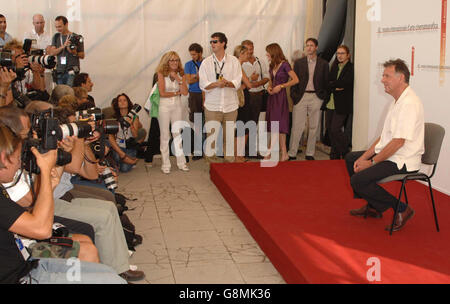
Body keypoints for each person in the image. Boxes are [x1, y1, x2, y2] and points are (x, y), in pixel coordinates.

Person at [0, 125, 125, 284]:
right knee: (113, 281)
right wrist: (44, 172)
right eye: (18, 158)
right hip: (19, 276)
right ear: (4, 158)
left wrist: (50, 181)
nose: (20, 164)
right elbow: (41, 229)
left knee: (108, 273)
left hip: (25, 262)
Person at [346, 59, 424, 232]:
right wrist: (364, 157)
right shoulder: (397, 100)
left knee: (357, 180)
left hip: (403, 160)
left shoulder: (409, 103)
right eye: (383, 75)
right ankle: (373, 205)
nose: (382, 80)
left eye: (386, 76)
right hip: (393, 154)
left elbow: (398, 142)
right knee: (352, 159)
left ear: (401, 78)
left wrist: (372, 163)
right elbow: (384, 137)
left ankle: (403, 209)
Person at [199, 32, 242, 163]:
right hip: (212, 105)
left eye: (215, 41)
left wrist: (227, 83)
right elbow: (203, 84)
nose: (212, 44)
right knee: (211, 137)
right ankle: (211, 165)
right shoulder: (206, 62)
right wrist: (217, 84)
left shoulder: (234, 61)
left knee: (229, 137)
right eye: (211, 42)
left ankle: (229, 164)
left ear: (223, 43)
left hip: (230, 105)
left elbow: (238, 81)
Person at [289, 38, 329, 161]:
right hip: (301, 97)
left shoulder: (323, 63)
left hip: (316, 97)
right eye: (307, 46)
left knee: (314, 126)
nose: (309, 48)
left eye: (311, 45)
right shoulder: (299, 63)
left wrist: (322, 97)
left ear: (316, 47)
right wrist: (295, 96)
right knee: (297, 126)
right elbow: (294, 82)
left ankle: (310, 153)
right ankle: (292, 153)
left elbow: (326, 82)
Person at [264, 43, 299, 162]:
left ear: (273, 52)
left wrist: (282, 86)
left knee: (278, 125)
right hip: (272, 97)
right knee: (275, 125)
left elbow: (296, 80)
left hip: (281, 97)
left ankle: (272, 152)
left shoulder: (285, 65)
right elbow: (270, 80)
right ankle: (283, 153)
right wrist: (269, 87)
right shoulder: (271, 65)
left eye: (268, 52)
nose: (266, 55)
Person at [156, 51, 189, 174]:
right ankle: (165, 163)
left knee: (177, 133)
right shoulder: (161, 73)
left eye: (176, 60)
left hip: (177, 106)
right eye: (172, 60)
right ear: (167, 61)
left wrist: (178, 79)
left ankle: (181, 162)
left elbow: (185, 92)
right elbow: (162, 93)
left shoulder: (181, 73)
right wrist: (176, 93)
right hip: (164, 107)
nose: (175, 62)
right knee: (165, 135)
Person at [324, 45, 354, 160]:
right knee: (330, 130)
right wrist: (335, 86)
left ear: (348, 55)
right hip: (330, 103)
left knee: (335, 129)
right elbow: (328, 83)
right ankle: (334, 154)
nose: (339, 56)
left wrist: (334, 85)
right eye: (338, 53)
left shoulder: (350, 68)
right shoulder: (334, 66)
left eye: (342, 53)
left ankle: (345, 151)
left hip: (342, 104)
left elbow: (345, 83)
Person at [108, 93, 141, 173]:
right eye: (120, 101)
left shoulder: (134, 117)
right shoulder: (113, 118)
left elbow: (135, 135)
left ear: (128, 102)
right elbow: (110, 137)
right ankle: (126, 159)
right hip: (118, 145)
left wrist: (131, 125)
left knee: (124, 169)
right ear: (117, 104)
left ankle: (126, 161)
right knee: (117, 156)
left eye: (124, 100)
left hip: (129, 145)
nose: (122, 102)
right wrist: (121, 153)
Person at [48, 16, 85, 86]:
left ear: (66, 24)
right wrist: (63, 46)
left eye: (60, 26)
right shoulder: (56, 37)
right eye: (56, 27)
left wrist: (74, 53)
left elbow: (82, 55)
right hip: (59, 71)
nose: (58, 29)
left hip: (72, 70)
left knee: (69, 93)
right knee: (61, 93)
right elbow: (52, 52)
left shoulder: (77, 37)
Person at [233, 45, 255, 162]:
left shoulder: (235, 65)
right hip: (241, 101)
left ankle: (238, 155)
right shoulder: (238, 67)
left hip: (239, 100)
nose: (249, 55)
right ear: (240, 54)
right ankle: (238, 156)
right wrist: (247, 82)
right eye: (246, 53)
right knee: (243, 127)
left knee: (241, 127)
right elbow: (249, 85)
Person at [24, 14, 54, 94]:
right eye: (37, 23)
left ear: (44, 23)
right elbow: (26, 50)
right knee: (34, 91)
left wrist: (37, 50)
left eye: (41, 22)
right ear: (33, 23)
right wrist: (43, 50)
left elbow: (50, 51)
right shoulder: (27, 34)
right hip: (32, 68)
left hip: (46, 68)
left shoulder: (49, 36)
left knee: (47, 91)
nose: (40, 25)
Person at [185, 43, 204, 160]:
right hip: (194, 95)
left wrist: (195, 76)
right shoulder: (188, 64)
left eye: (194, 54)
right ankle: (198, 151)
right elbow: (189, 81)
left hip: (208, 93)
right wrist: (199, 76)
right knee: (197, 123)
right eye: (191, 55)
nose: (192, 57)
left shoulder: (207, 62)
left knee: (209, 121)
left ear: (200, 52)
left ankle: (210, 149)